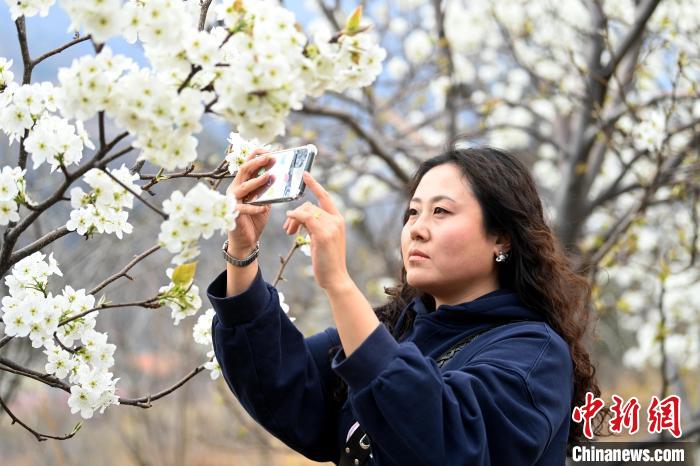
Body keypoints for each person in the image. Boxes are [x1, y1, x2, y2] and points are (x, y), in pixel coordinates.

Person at [207, 145, 606, 465]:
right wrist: (242, 252)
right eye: (412, 212)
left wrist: (340, 284)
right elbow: (281, 383)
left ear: (501, 238)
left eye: (440, 211)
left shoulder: (534, 353)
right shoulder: (396, 329)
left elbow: (451, 446)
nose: (417, 228)